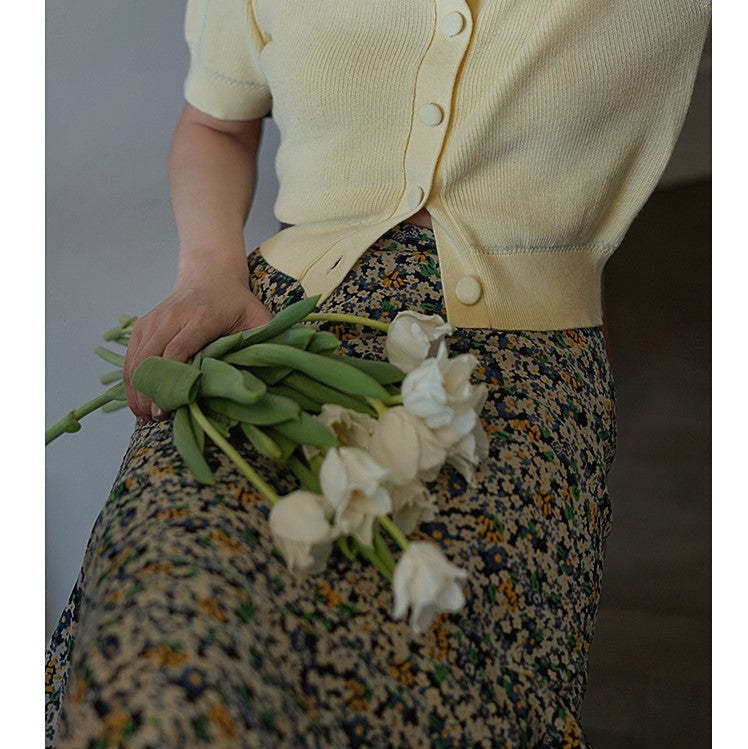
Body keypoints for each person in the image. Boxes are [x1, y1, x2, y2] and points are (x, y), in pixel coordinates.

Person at [46, 1, 711, 746]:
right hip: (270, 328)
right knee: (162, 641)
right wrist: (206, 273)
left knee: (432, 674)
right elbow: (215, 124)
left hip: (520, 367)